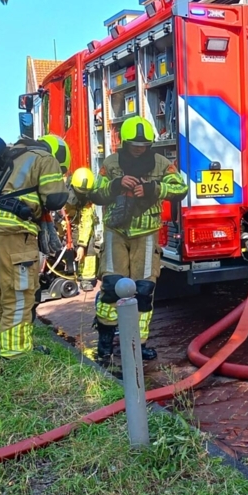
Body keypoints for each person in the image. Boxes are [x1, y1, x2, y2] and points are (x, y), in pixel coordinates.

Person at [89, 115, 188, 364]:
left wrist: (155, 189)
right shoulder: (111, 163)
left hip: (146, 233)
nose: (139, 149)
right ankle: (105, 343)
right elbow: (96, 192)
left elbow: (181, 188)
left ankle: (138, 345)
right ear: (124, 142)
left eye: (144, 145)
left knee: (144, 290)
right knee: (112, 287)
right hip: (116, 231)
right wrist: (115, 185)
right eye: (134, 145)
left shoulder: (161, 164)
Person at [0, 134, 70, 359]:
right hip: (11, 231)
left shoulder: (7, 154)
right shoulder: (44, 158)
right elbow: (55, 199)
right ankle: (16, 355)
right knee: (18, 293)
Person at [67, 166, 101, 292]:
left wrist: (82, 245)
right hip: (64, 224)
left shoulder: (88, 199)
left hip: (79, 224)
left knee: (89, 245)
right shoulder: (62, 189)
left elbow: (86, 221)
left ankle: (86, 279)